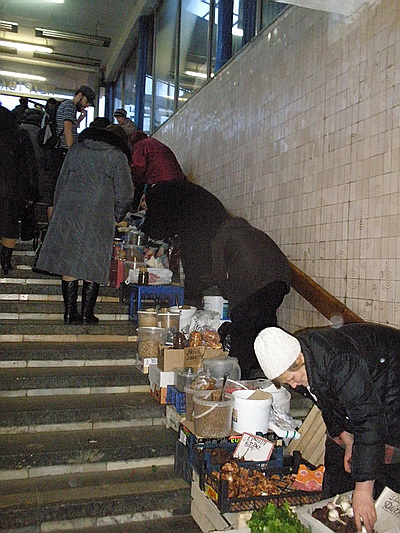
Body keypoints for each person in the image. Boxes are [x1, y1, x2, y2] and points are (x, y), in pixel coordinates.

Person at [254, 324, 400, 533]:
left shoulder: (338, 361)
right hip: (371, 392)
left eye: (292, 379)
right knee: (339, 462)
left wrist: (363, 489)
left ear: (300, 359)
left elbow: (370, 419)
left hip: (393, 382)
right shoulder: (309, 359)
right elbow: (328, 403)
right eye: (288, 383)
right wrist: (348, 441)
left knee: (388, 471)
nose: (294, 386)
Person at [141, 180, 290, 378]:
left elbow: (220, 272)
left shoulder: (222, 237)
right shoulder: (250, 233)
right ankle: (278, 368)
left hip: (254, 281)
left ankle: (240, 380)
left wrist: (227, 297)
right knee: (266, 323)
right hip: (281, 279)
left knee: (242, 330)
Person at [35, 124, 134, 324]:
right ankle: (87, 313)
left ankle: (70, 312)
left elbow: (61, 180)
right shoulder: (117, 156)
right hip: (100, 212)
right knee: (94, 260)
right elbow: (125, 192)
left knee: (70, 260)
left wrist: (57, 205)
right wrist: (118, 213)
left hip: (69, 209)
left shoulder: (77, 149)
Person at [48, 85, 95, 219]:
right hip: (62, 152)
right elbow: (68, 129)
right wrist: (72, 152)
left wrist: (79, 119)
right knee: (58, 191)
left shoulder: (65, 106)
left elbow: (69, 126)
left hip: (58, 151)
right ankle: (54, 227)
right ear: (80, 95)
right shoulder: (69, 106)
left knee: (55, 192)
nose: (86, 106)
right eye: (87, 102)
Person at [0, 107, 38, 274]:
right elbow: (30, 165)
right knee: (10, 225)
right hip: (13, 189)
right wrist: (32, 191)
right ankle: (5, 261)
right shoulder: (20, 135)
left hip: (10, 188)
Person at [130, 131, 186, 211]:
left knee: (158, 212)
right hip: (179, 181)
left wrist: (134, 182)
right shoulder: (157, 143)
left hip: (160, 182)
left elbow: (139, 167)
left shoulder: (140, 145)